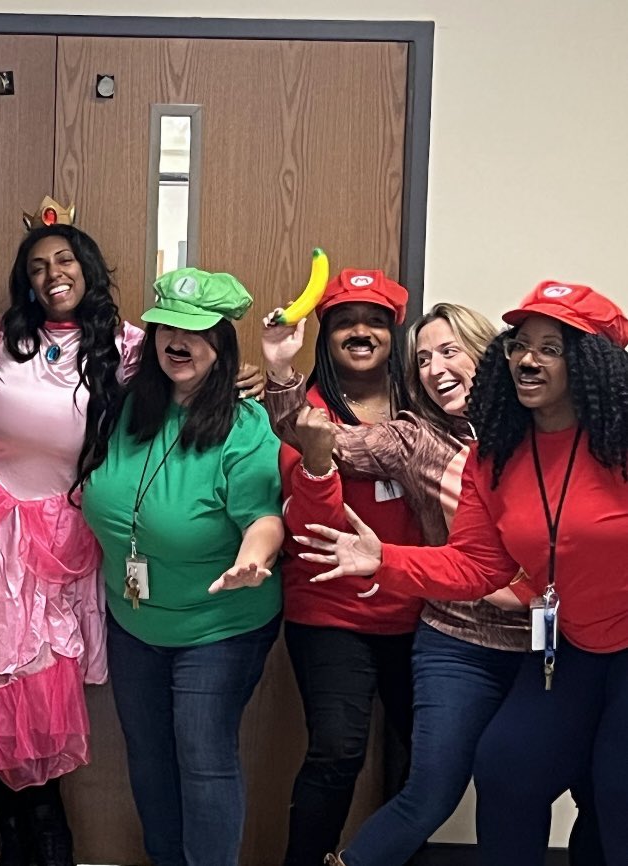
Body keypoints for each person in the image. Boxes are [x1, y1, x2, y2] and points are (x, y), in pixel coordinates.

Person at [296, 281, 628, 864]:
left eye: (551, 348)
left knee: (613, 793)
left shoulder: (620, 444)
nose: (528, 358)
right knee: (505, 769)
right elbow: (477, 565)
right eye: (521, 345)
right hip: (571, 647)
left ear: (591, 361)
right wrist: (387, 560)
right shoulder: (495, 455)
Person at [263, 303, 532, 865]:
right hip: (458, 634)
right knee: (426, 788)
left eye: (450, 351)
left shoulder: (548, 426)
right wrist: (283, 375)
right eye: (425, 359)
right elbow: (313, 435)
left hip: (548, 642)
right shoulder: (415, 440)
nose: (436, 369)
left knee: (522, 783)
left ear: (491, 353)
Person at [0, 203, 145, 866]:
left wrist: (252, 381)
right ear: (24, 281)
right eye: (37, 266)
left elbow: (190, 382)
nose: (52, 274)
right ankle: (13, 840)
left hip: (59, 538)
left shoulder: (130, 346)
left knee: (37, 691)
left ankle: (46, 840)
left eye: (65, 261)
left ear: (88, 270)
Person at [79, 268, 285, 866]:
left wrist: (253, 559)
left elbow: (264, 518)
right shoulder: (124, 410)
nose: (177, 340)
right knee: (146, 756)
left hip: (218, 623)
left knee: (203, 757)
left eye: (195, 332)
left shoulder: (244, 427)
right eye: (166, 326)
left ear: (221, 344)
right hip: (135, 621)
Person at [265, 269, 425, 866]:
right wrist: (316, 457)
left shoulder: (423, 408)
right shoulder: (300, 413)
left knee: (422, 759)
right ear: (326, 336)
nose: (361, 331)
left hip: (421, 608)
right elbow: (307, 529)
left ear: (393, 332)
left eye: (375, 321)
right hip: (330, 610)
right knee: (337, 753)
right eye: (345, 322)